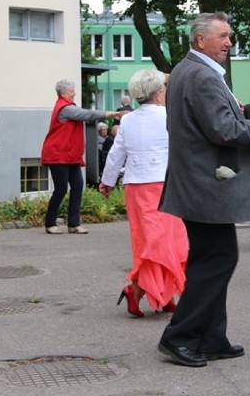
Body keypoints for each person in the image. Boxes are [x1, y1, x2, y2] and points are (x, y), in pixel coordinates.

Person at [157, 12, 250, 368]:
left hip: (198, 185)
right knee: (218, 260)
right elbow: (225, 131)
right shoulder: (201, 76)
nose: (230, 42)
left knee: (210, 259)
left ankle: (211, 337)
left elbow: (217, 125)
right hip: (206, 187)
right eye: (223, 36)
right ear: (201, 40)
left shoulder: (189, 71)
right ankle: (179, 336)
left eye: (229, 36)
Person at [99, 69, 187, 318]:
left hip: (136, 186)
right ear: (159, 93)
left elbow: (117, 153)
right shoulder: (170, 115)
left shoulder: (127, 120)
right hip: (164, 184)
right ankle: (145, 291)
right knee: (167, 242)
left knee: (149, 242)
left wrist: (107, 181)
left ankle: (158, 293)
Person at [40, 80, 121, 235]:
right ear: (64, 93)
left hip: (70, 155)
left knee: (77, 186)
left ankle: (74, 224)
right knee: (61, 188)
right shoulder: (65, 108)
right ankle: (50, 223)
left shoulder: (69, 107)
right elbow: (87, 114)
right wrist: (109, 113)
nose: (74, 93)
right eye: (72, 91)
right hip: (58, 154)